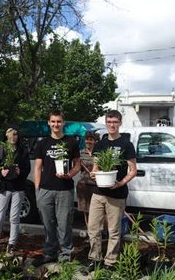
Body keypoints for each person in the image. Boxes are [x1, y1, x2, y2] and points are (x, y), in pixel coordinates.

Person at [86, 110, 137, 271]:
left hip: (117, 194)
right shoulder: (100, 144)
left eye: (115, 122)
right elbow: (96, 167)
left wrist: (121, 183)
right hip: (99, 193)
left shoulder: (126, 144)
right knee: (93, 228)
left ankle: (110, 262)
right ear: (106, 123)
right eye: (109, 122)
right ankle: (95, 259)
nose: (112, 125)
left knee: (114, 230)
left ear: (120, 123)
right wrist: (94, 174)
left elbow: (133, 170)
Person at [33, 111, 81, 265]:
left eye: (59, 121)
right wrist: (37, 189)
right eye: (53, 121)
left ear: (63, 123)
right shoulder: (42, 143)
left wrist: (70, 174)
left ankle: (65, 254)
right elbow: (38, 167)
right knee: (48, 223)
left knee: (64, 223)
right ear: (48, 123)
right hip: (45, 189)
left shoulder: (71, 142)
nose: (56, 124)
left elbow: (78, 164)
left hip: (64, 189)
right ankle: (50, 252)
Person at [0, 127, 30, 257]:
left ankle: (12, 244)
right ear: (6, 136)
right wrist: (0, 173)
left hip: (18, 187)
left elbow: (27, 169)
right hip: (3, 187)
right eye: (10, 135)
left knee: (14, 217)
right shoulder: (0, 149)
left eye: (15, 135)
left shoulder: (22, 150)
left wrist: (20, 172)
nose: (13, 138)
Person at [76, 131, 99, 228]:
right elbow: (76, 168)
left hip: (96, 185)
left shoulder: (99, 153)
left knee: (97, 211)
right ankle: (90, 232)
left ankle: (98, 232)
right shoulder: (80, 153)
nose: (88, 141)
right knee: (86, 211)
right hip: (84, 185)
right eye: (87, 139)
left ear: (95, 141)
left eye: (91, 139)